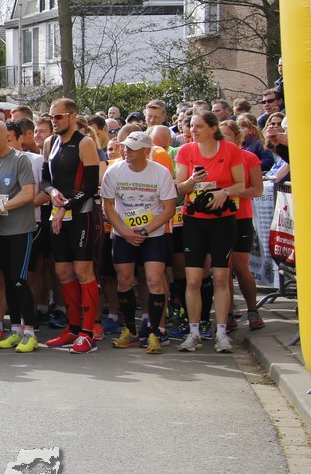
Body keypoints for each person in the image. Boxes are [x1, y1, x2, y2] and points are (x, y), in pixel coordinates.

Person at [173, 112, 246, 353]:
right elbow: (180, 188)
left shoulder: (230, 149)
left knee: (220, 278)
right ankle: (193, 332)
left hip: (223, 220)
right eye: (191, 126)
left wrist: (224, 192)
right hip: (194, 221)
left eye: (199, 126)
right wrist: (192, 181)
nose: (193, 130)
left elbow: (241, 184)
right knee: (193, 280)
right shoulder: (186, 151)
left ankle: (222, 333)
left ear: (213, 128)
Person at [101, 131, 177, 355]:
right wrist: (124, 231)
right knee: (124, 280)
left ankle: (154, 332)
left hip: (152, 235)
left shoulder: (160, 172)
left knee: (154, 280)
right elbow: (108, 206)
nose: (126, 151)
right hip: (123, 234)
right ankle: (130, 330)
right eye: (125, 146)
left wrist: (145, 230)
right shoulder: (114, 171)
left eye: (132, 148)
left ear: (146, 151)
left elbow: (169, 208)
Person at [41, 98, 103, 354]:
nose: (54, 121)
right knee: (63, 271)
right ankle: (73, 327)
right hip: (58, 214)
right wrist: (53, 192)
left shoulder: (85, 143)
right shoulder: (50, 142)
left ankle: (88, 332)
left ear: (72, 116)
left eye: (58, 116)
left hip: (81, 214)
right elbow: (45, 179)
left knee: (83, 271)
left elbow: (90, 186)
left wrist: (66, 205)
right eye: (51, 117)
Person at [0, 120, 40, 353]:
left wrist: (1, 208)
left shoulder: (20, 160)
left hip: (21, 230)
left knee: (19, 280)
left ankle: (30, 331)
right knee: (6, 279)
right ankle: (15, 329)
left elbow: (28, 193)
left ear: (7, 137)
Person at [220, 119, 267, 334]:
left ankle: (252, 310)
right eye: (219, 135)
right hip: (219, 219)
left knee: (240, 266)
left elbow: (258, 190)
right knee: (224, 269)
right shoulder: (213, 158)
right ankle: (228, 314)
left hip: (241, 218)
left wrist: (231, 192)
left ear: (237, 137)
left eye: (227, 135)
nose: (223, 139)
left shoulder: (248, 157)